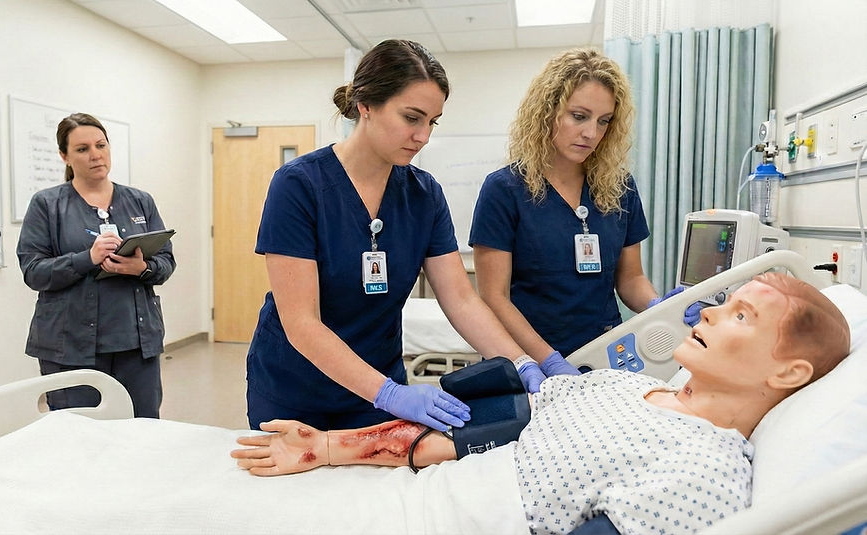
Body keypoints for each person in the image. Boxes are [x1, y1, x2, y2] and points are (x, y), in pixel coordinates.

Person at [232, 272, 850, 534]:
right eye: (726, 299)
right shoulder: (627, 386)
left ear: (789, 372)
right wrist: (330, 447)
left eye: (741, 314)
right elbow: (492, 425)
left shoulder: (703, 470)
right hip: (427, 489)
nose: (710, 308)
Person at [245, 39, 562, 434]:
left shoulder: (423, 194)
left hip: (379, 379)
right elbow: (301, 323)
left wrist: (520, 362)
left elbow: (461, 299)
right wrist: (390, 394)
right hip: (296, 385)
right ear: (366, 105)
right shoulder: (299, 185)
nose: (423, 135)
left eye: (433, 121)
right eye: (412, 117)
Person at [469, 48, 700, 379]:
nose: (591, 133)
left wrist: (660, 306)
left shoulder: (619, 187)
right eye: (579, 116)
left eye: (603, 121)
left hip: (608, 355)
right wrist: (547, 360)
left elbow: (631, 278)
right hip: (527, 364)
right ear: (547, 112)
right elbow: (494, 297)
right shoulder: (504, 190)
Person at [17, 113, 175, 418]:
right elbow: (33, 271)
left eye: (101, 145)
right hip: (70, 346)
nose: (95, 155)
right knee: (79, 434)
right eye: (82, 149)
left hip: (136, 343)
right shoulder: (47, 205)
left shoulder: (140, 201)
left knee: (142, 429)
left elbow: (166, 261)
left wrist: (140, 268)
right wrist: (86, 259)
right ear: (64, 156)